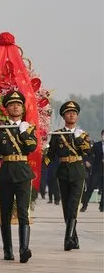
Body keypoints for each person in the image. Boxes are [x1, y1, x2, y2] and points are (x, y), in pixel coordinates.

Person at [0, 90, 37, 263]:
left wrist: (24, 132)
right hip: (6, 173)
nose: (15, 106)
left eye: (18, 104)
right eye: (12, 104)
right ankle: (7, 250)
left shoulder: (29, 127)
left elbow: (31, 148)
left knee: (23, 212)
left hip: (23, 172)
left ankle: (24, 249)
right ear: (7, 108)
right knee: (5, 213)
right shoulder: (1, 129)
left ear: (22, 108)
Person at [44, 101, 91, 251]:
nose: (72, 115)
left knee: (73, 206)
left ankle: (67, 239)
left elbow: (87, 152)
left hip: (78, 171)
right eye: (68, 113)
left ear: (77, 116)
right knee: (66, 207)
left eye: (74, 113)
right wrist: (38, 165)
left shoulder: (83, 134)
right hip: (63, 172)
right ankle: (74, 239)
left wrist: (77, 139)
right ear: (64, 116)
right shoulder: (58, 135)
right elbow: (50, 155)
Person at [80, 129, 103, 212]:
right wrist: (87, 161)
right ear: (101, 136)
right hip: (97, 170)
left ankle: (102, 206)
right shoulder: (97, 145)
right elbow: (88, 153)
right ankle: (84, 205)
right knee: (90, 188)